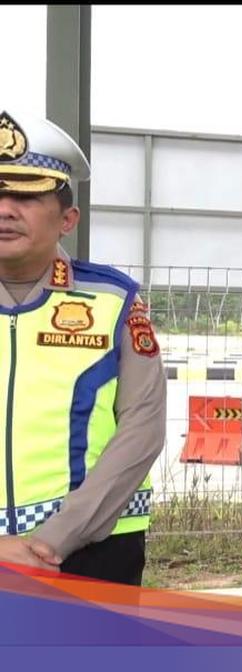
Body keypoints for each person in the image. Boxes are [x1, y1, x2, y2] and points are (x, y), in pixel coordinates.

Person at [0, 110, 165, 585]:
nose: (7, 208)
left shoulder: (115, 301)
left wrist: (51, 542)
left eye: (27, 194)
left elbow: (142, 429)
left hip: (91, 554)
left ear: (68, 217)